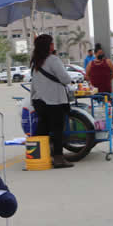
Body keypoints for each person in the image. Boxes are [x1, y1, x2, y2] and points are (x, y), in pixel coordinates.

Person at [30, 34, 74, 168]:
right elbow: (66, 79)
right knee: (57, 130)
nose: (53, 46)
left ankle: (36, 156)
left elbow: (33, 83)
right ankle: (58, 158)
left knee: (42, 129)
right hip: (54, 101)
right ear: (47, 46)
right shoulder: (53, 60)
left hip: (39, 101)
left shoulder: (35, 62)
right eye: (51, 44)